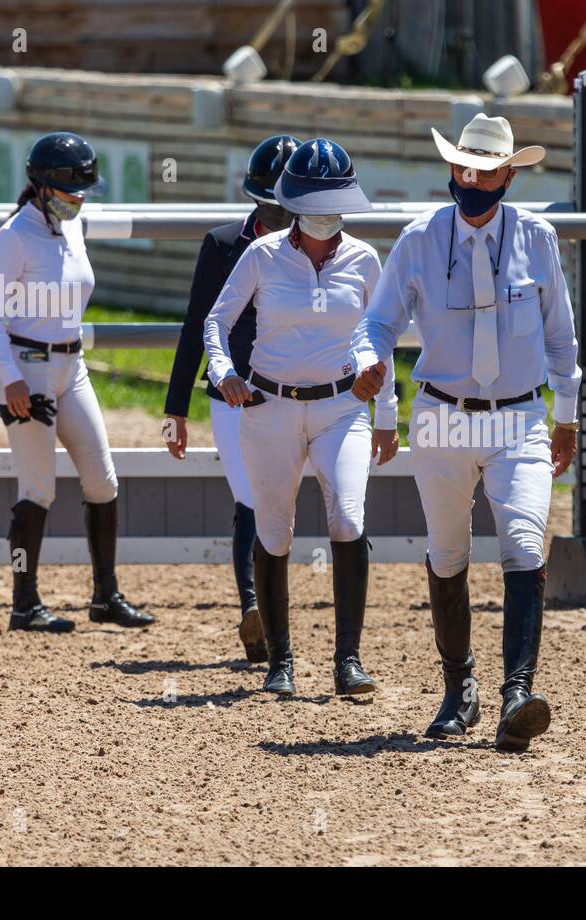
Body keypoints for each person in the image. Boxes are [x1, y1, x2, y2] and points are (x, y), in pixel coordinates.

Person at [350, 113, 580, 752]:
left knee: (526, 543)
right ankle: (459, 689)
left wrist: (567, 412)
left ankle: (517, 692)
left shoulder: (538, 239)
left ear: (509, 174)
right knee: (448, 551)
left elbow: (561, 335)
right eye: (461, 168)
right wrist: (365, 364)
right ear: (451, 167)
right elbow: (377, 322)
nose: (471, 179)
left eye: (484, 170)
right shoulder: (418, 239)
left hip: (520, 417)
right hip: (441, 415)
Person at [203, 138, 399, 697]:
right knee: (275, 528)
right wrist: (224, 373)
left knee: (349, 517)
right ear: (291, 201)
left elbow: (378, 337)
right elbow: (216, 322)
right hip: (269, 407)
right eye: (313, 201)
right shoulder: (261, 257)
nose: (323, 214)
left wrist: (385, 412)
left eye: (332, 200)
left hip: (342, 408)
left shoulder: (364, 259)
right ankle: (280, 661)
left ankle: (349, 660)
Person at [0, 131, 154, 633]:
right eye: (70, 194)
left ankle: (105, 596)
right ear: (41, 187)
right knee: (38, 487)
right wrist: (11, 380)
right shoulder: (12, 237)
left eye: (83, 194)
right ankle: (24, 602)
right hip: (26, 368)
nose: (79, 202)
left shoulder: (73, 227)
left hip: (72, 368)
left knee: (102, 480)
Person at [164, 134, 301, 663]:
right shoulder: (223, 245)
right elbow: (195, 326)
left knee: (274, 504)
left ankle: (264, 612)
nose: (277, 219)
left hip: (294, 395)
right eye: (268, 207)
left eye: (285, 209)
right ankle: (255, 609)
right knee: (251, 498)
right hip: (231, 395)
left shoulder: (314, 248)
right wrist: (176, 408)